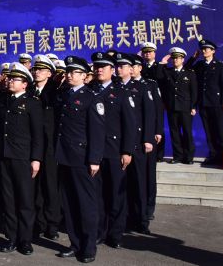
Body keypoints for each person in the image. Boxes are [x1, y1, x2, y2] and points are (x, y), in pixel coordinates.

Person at [0, 63, 44, 256]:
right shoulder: (4, 100)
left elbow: (38, 134)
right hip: (5, 156)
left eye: (15, 79)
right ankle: (11, 238)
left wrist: (36, 158)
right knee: (9, 200)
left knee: (25, 201)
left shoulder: (32, 103)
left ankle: (25, 240)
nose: (10, 81)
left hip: (23, 158)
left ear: (25, 84)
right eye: (10, 78)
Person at [55, 56, 104, 263]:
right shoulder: (65, 95)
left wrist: (94, 159)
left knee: (86, 205)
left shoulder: (92, 98)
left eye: (74, 72)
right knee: (70, 204)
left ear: (85, 76)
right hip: (65, 157)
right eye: (68, 72)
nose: (69, 75)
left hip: (82, 159)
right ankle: (74, 243)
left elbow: (97, 132)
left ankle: (88, 246)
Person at [91, 51, 136, 250]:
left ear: (112, 70)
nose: (99, 69)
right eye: (97, 66)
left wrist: (127, 150)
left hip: (115, 151)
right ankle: (100, 232)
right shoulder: (90, 91)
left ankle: (116, 233)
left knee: (116, 195)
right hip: (94, 152)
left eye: (104, 66)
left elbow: (130, 124)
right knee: (98, 195)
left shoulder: (121, 93)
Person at [30, 54, 61, 241]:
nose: (36, 72)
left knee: (50, 186)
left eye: (40, 70)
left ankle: (52, 224)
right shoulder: (30, 91)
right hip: (33, 144)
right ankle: (38, 222)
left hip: (50, 146)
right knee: (35, 186)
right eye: (35, 69)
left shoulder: (55, 91)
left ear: (49, 73)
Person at [127, 54, 156, 234]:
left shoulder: (143, 87)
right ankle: (128, 218)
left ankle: (142, 219)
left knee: (140, 182)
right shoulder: (118, 87)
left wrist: (148, 138)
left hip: (138, 142)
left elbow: (150, 114)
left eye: (128, 66)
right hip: (122, 143)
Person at [189, 39, 223, 167]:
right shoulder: (199, 65)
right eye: (202, 49)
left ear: (213, 51)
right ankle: (213, 155)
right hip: (203, 103)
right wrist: (193, 58)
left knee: (219, 130)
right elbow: (185, 69)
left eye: (206, 49)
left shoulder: (220, 65)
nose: (204, 51)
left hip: (216, 102)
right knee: (208, 131)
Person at [164, 47, 197, 164]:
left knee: (187, 132)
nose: (175, 60)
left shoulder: (189, 73)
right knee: (175, 132)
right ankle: (177, 156)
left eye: (177, 58)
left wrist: (193, 106)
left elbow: (194, 91)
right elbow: (159, 77)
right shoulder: (168, 72)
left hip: (185, 107)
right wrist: (163, 62)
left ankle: (188, 157)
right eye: (173, 58)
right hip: (172, 107)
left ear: (183, 59)